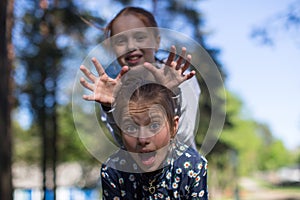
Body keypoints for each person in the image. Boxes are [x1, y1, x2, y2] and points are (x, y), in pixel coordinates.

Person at [79, 6, 201, 149]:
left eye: (140, 37)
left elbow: (183, 137)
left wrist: (169, 94)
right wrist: (110, 108)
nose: (131, 46)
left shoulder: (180, 78)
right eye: (120, 41)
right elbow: (125, 145)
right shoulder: (112, 90)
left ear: (156, 42)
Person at [100, 78, 208, 199]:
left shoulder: (191, 166)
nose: (142, 139)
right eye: (130, 128)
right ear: (120, 130)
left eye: (155, 126)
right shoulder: (114, 169)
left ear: (174, 127)